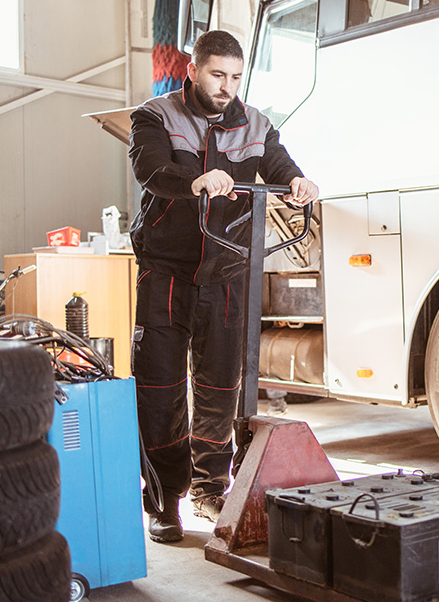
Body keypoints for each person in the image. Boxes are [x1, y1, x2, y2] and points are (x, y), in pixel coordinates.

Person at [128, 30, 319, 543]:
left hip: (228, 271)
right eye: (217, 75)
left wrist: (299, 182)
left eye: (235, 77)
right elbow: (149, 169)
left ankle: (212, 489)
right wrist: (193, 180)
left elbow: (279, 165)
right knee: (161, 386)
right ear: (193, 70)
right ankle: (164, 499)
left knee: (219, 386)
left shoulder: (255, 123)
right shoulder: (156, 115)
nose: (227, 86)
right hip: (166, 269)